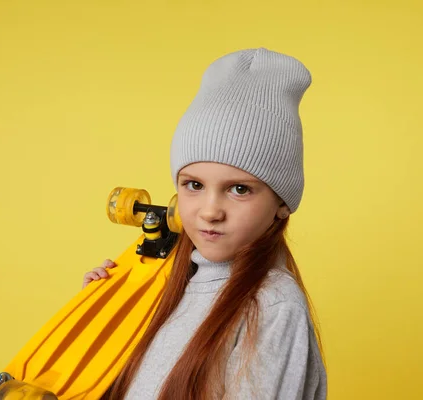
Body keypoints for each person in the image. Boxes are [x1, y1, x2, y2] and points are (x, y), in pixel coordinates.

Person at [85, 48, 327, 400]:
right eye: (194, 185)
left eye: (239, 189)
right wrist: (97, 319)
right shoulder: (173, 284)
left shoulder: (272, 305)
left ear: (281, 204)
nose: (210, 211)